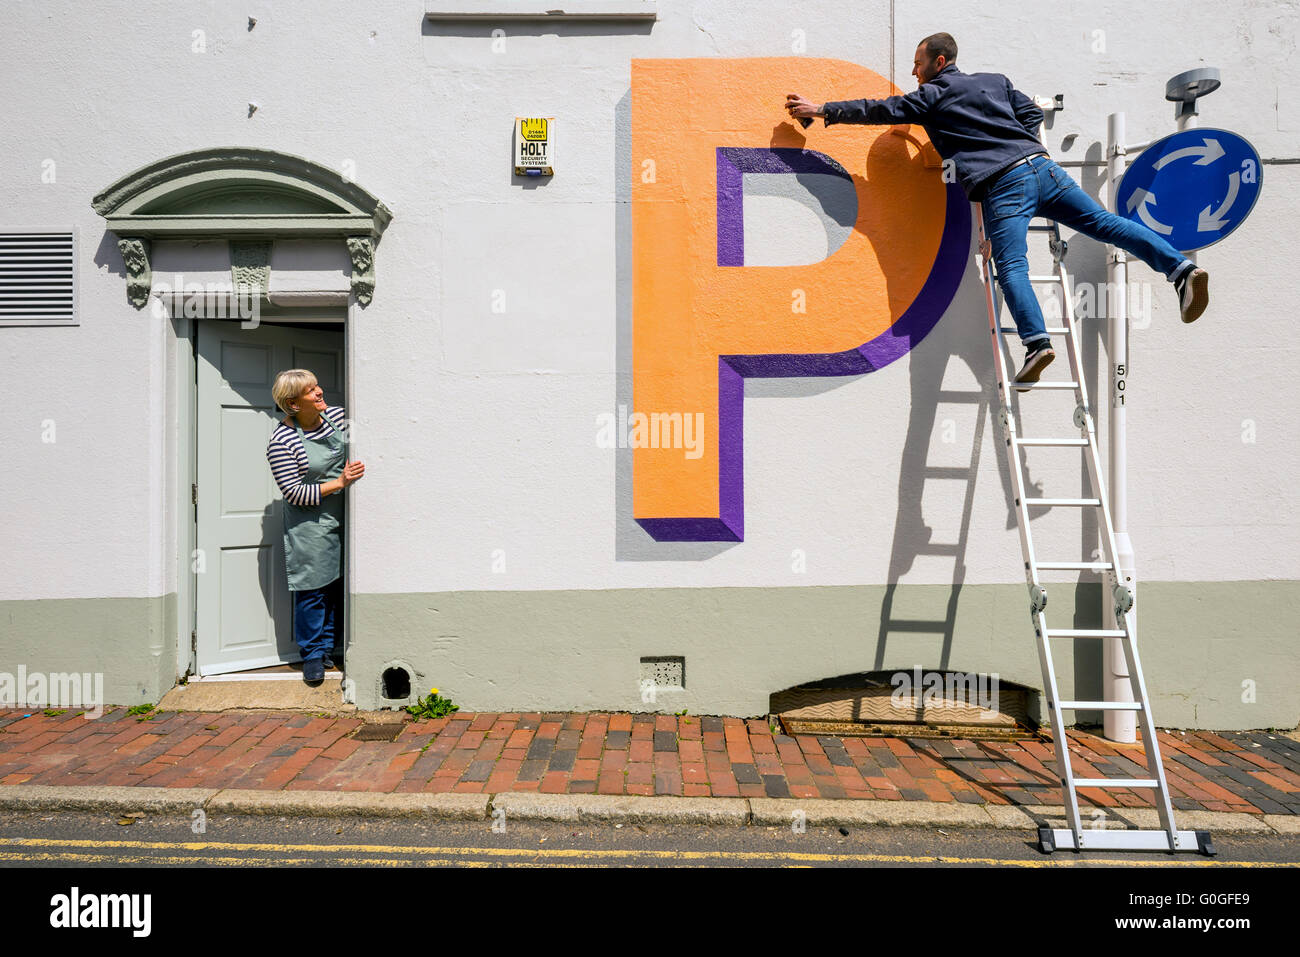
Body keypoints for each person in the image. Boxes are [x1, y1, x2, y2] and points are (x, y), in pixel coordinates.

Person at [785, 32, 1209, 389]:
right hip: (1043, 167)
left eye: (917, 64)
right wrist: (1019, 148)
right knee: (1106, 224)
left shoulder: (932, 95)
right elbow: (1028, 113)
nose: (913, 73)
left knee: (1011, 267)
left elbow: (881, 109)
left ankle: (1037, 344)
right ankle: (1182, 271)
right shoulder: (996, 80)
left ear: (939, 60)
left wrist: (821, 110)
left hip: (1005, 184)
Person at [266, 369, 365, 683]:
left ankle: (327, 648)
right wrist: (339, 482)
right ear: (294, 404)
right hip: (310, 525)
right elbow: (294, 492)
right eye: (311, 391)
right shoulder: (281, 441)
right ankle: (310, 654)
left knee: (336, 585)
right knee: (313, 590)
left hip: (342, 518)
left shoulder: (336, 417)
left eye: (317, 385)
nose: (320, 392)